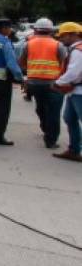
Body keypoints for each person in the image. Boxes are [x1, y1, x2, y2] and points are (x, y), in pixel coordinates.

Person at [18, 18, 66, 149]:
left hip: (34, 84)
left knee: (41, 107)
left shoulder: (29, 44)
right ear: (51, 30)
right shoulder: (58, 45)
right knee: (54, 112)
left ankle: (45, 128)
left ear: (35, 30)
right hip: (53, 84)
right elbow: (65, 64)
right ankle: (50, 140)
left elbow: (21, 63)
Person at [53, 22, 82, 162]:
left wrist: (58, 83)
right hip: (74, 91)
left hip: (79, 92)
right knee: (69, 118)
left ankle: (75, 150)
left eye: (63, 36)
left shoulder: (78, 51)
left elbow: (73, 73)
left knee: (72, 119)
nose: (61, 39)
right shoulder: (74, 49)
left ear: (73, 35)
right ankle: (74, 150)